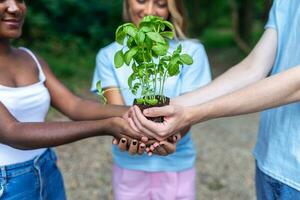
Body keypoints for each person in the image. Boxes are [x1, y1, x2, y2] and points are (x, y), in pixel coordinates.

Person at [130, 0, 300, 199]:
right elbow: (253, 67)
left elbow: (296, 84)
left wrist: (192, 114)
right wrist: (168, 108)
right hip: (270, 162)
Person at [0, 0, 143, 199]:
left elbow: (74, 105)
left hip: (46, 168)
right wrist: (107, 126)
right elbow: (12, 132)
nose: (15, 8)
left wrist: (136, 110)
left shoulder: (30, 58)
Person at [91, 0, 211, 199]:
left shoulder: (191, 51)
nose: (149, 11)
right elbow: (117, 110)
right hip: (128, 164)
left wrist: (171, 134)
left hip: (176, 163)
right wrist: (128, 133)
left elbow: (188, 113)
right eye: (141, 1)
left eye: (161, 4)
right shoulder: (108, 55)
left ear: (172, 9)